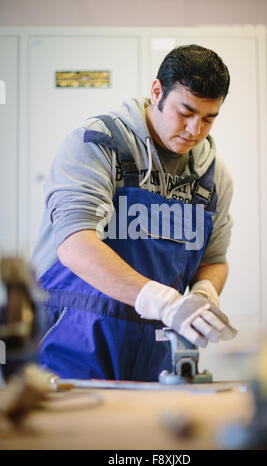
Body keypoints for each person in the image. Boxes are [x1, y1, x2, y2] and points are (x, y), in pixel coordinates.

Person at [31, 44, 237, 381]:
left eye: (208, 119)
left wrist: (203, 294)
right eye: (185, 112)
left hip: (155, 353)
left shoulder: (212, 177)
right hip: (70, 343)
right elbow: (75, 243)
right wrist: (166, 302)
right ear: (157, 91)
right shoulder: (98, 144)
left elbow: (213, 260)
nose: (194, 130)